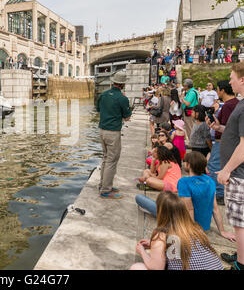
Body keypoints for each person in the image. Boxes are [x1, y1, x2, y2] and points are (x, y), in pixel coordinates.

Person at [207, 60, 244, 270]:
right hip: (240, 173)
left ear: (243, 79)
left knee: (242, 225)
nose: (230, 82)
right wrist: (220, 127)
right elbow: (239, 135)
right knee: (241, 222)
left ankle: (242, 266)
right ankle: (242, 256)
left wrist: (226, 169)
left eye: (232, 78)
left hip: (240, 174)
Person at [135, 153, 236, 242]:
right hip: (204, 227)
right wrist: (222, 231)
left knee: (140, 198)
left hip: (188, 225)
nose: (183, 164)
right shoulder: (210, 180)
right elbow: (215, 209)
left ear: (188, 165)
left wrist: (190, 232)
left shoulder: (184, 182)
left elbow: (189, 209)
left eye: (184, 162)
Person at [131, 191, 223, 270]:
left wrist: (142, 251)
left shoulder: (162, 235)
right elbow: (178, 251)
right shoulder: (196, 228)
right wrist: (154, 245)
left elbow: (156, 267)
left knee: (137, 267)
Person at [96, 71, 132, 199]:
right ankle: (106, 190)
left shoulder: (103, 95)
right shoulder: (123, 98)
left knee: (106, 158)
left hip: (101, 130)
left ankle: (103, 184)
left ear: (113, 82)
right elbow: (127, 118)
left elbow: (98, 110)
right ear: (122, 85)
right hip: (113, 132)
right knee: (112, 160)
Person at [207, 80, 239, 206]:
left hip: (223, 141)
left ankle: (219, 194)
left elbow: (225, 127)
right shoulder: (237, 103)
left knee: (214, 166)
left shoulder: (227, 105)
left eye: (218, 89)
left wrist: (215, 126)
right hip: (233, 142)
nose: (217, 92)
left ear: (223, 90)